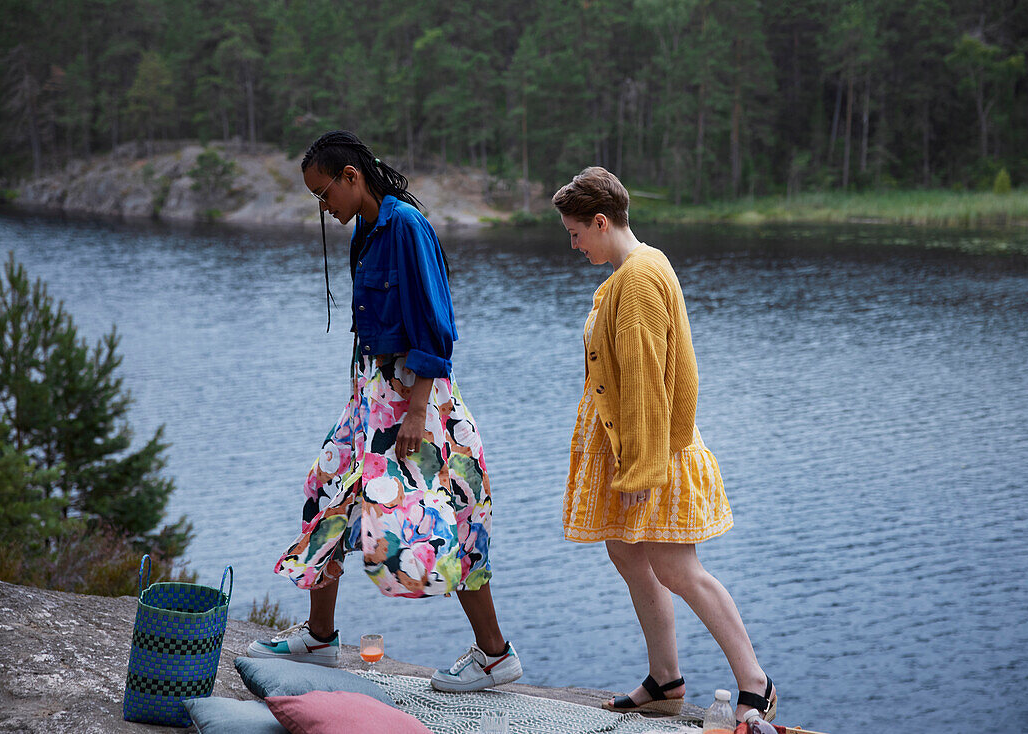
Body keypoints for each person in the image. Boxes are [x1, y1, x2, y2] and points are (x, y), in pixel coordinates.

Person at [247, 130, 522, 693]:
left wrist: (417, 411)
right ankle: (321, 640)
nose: (324, 208)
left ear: (352, 176)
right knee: (326, 491)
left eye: (325, 194)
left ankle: (495, 655)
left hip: (412, 398)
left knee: (451, 515)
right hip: (372, 395)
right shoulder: (370, 230)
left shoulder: (404, 227)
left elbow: (434, 324)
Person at [552, 167, 777, 726]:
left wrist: (642, 473)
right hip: (628, 445)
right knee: (627, 552)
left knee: (677, 566)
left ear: (601, 221)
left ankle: (756, 682)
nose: (573, 244)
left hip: (650, 451)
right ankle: (666, 679)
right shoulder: (633, 269)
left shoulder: (639, 281)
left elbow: (651, 383)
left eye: (576, 232)